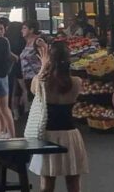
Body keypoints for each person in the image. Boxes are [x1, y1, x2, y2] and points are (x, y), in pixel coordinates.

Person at [29, 40, 88, 192]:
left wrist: (43, 66)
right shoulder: (77, 82)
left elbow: (33, 89)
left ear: (50, 59)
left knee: (47, 183)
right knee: (73, 182)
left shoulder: (42, 83)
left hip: (47, 135)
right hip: (71, 135)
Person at [3, 16, 27, 116]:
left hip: (10, 68)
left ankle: (14, 112)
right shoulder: (23, 40)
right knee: (23, 90)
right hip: (21, 68)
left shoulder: (6, 41)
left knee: (12, 91)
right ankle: (25, 111)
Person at [20, 21, 44, 103]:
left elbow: (46, 56)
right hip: (28, 77)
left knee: (38, 101)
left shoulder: (38, 41)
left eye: (24, 28)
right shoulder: (27, 42)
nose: (22, 30)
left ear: (31, 30)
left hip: (37, 76)